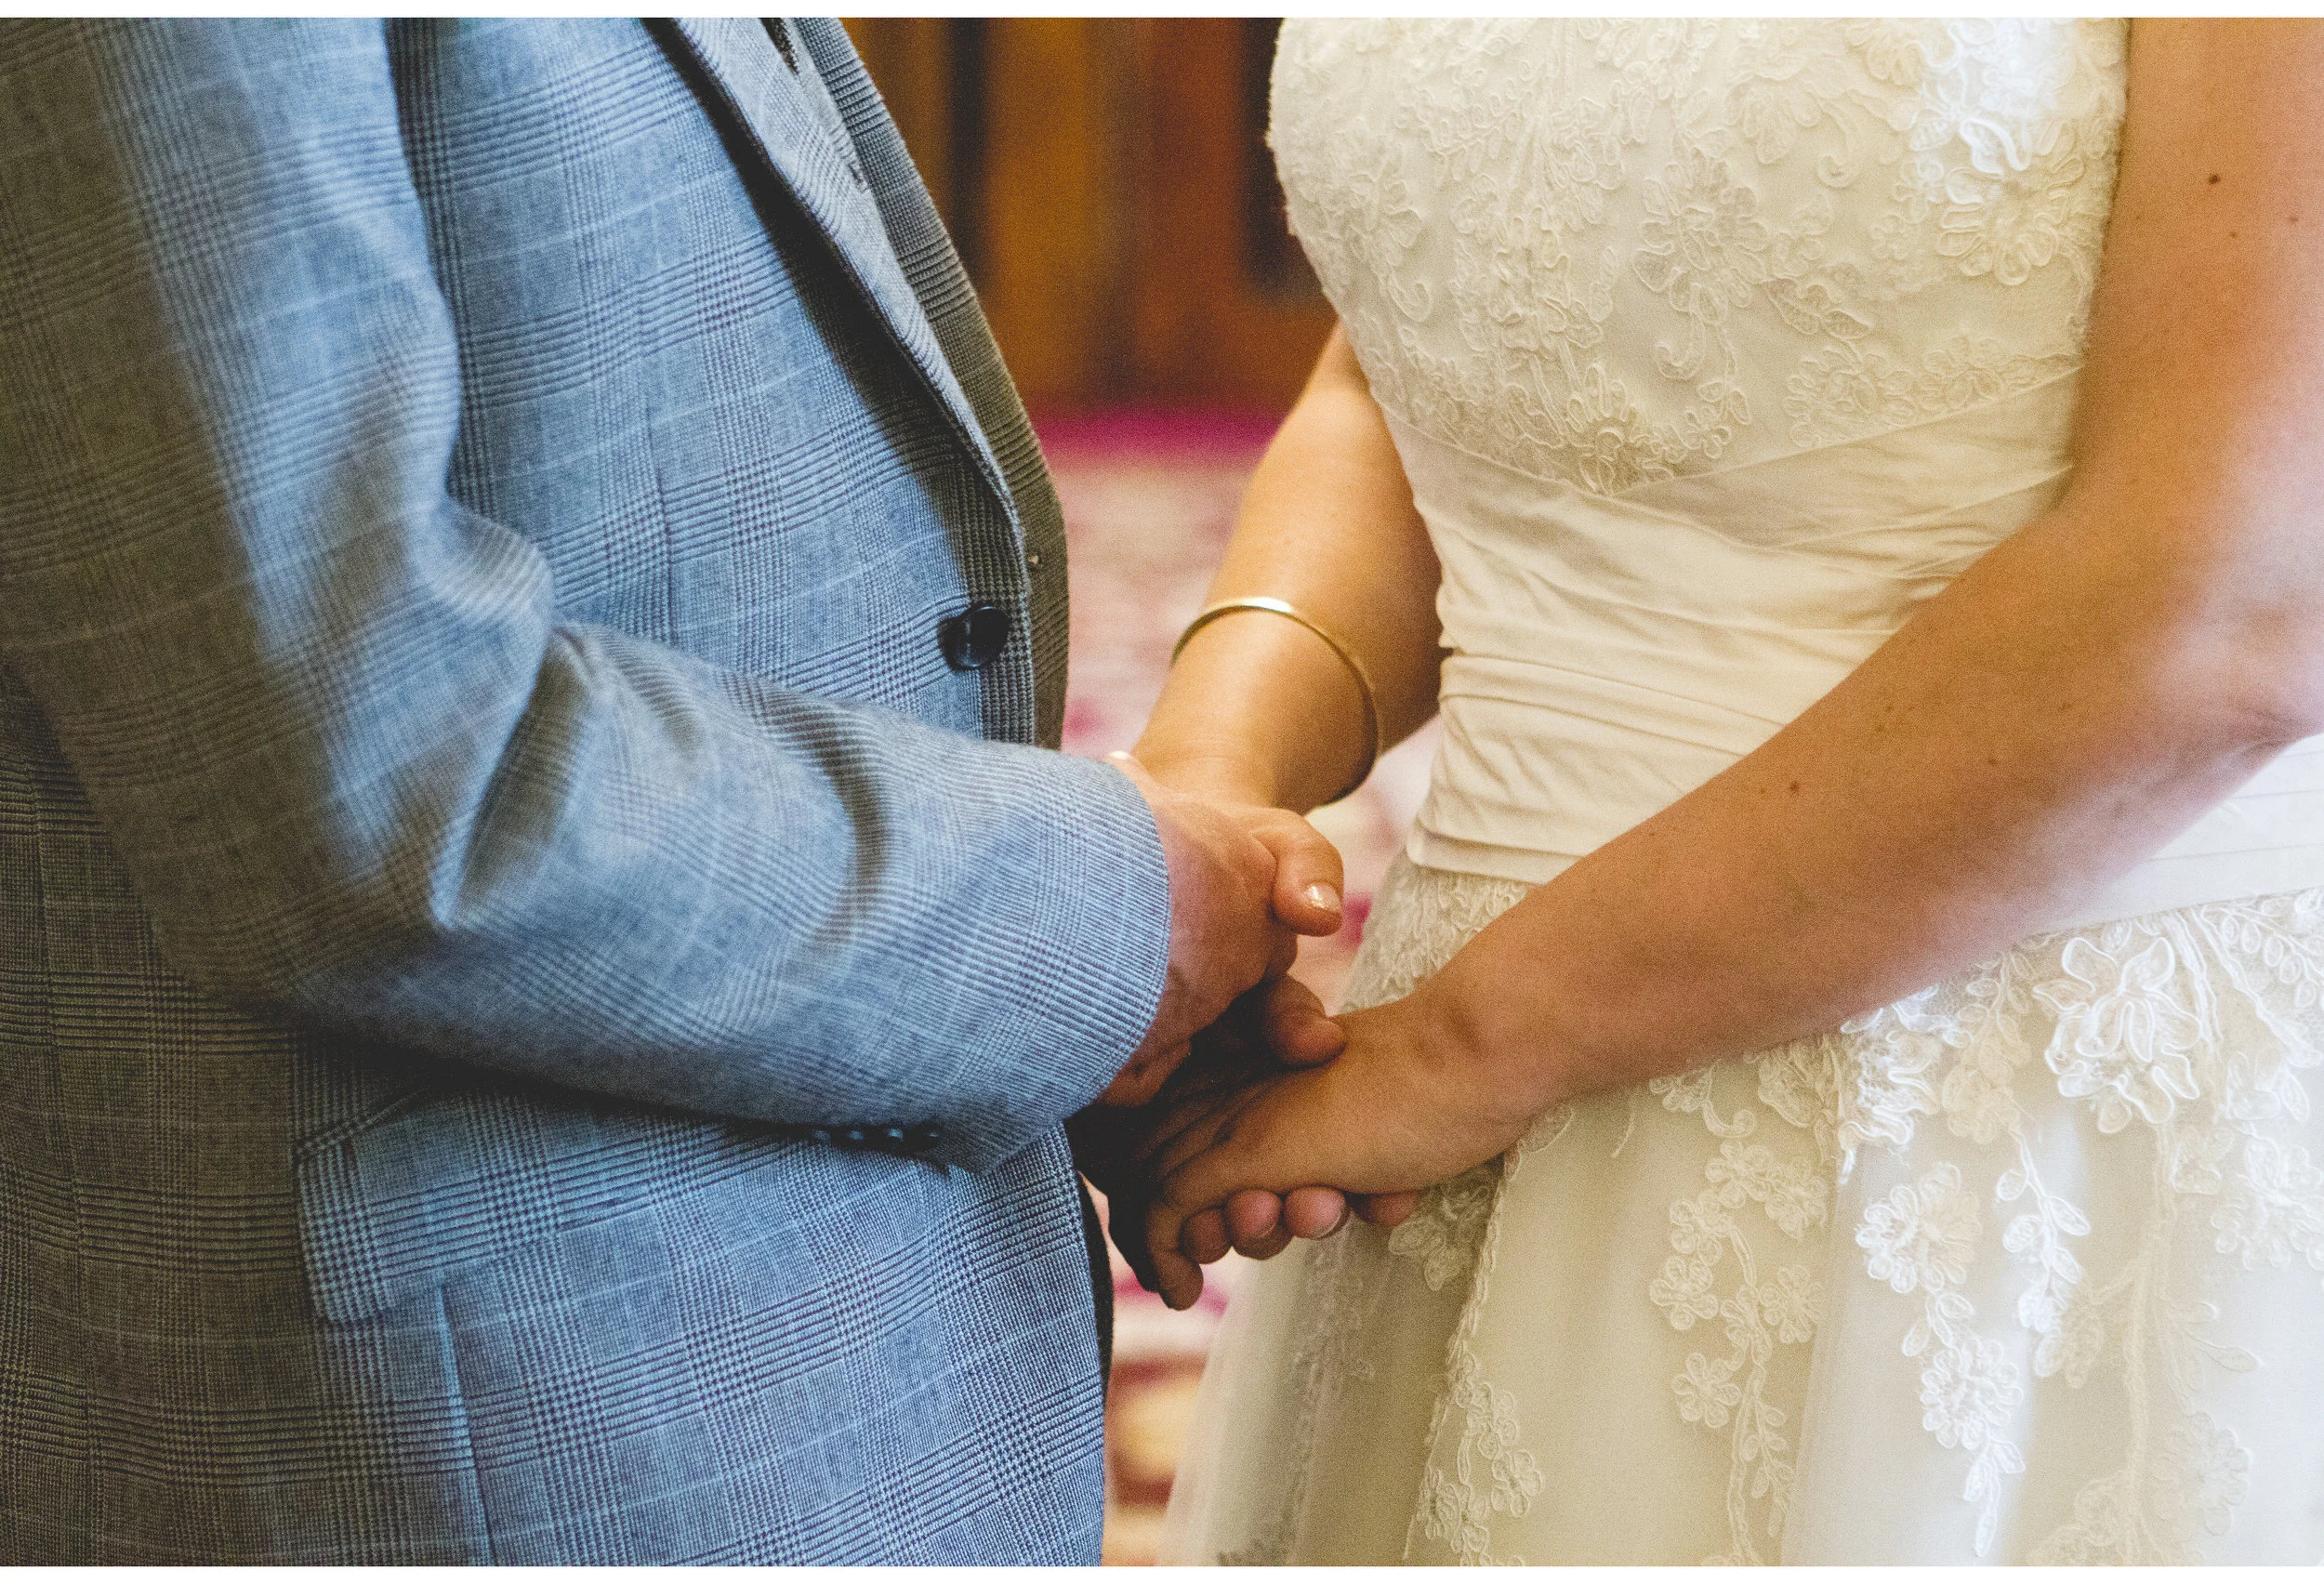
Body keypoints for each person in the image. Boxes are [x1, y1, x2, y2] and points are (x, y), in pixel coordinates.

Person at [0, 18, 1352, 1564]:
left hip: (772, 1298)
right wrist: (1104, 919)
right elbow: (374, 764)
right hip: (505, 1416)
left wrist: (1067, 991)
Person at [1124, 18, 2324, 1565]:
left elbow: (2241, 590)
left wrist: (1475, 1041)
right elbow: (1429, 357)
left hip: (2000, 1085)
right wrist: (1207, 795)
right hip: (1441, 1108)